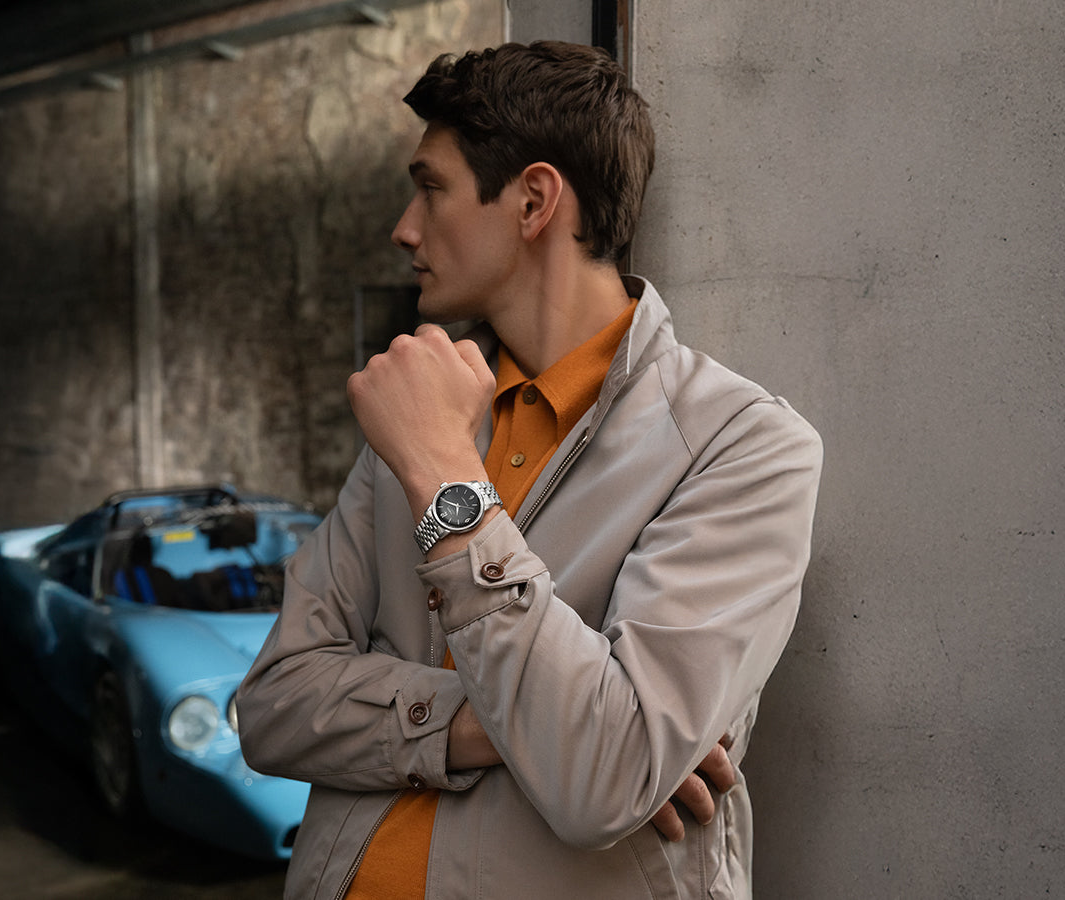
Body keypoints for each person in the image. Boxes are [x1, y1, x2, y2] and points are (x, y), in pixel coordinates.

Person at [236, 40, 822, 899]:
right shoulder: (423, 415)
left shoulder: (741, 445)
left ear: (534, 199)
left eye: (431, 187)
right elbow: (274, 705)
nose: (405, 226)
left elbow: (599, 781)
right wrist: (495, 726)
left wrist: (442, 475)